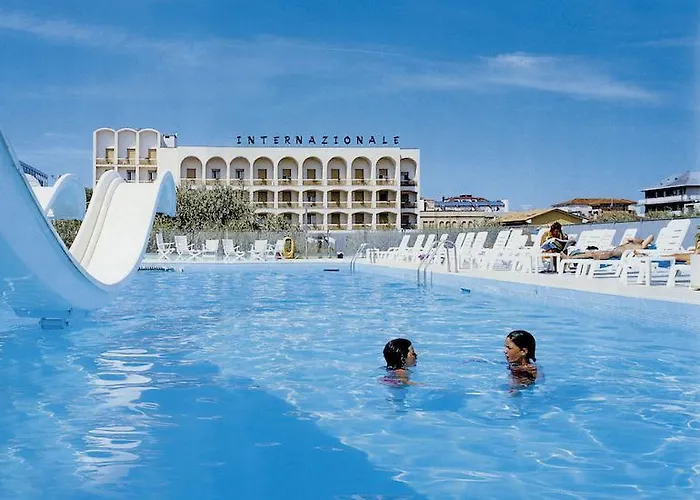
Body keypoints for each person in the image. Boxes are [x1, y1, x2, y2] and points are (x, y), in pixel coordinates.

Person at [569, 234, 654, 260]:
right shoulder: (630, 243)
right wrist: (634, 240)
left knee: (593, 254)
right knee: (592, 253)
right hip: (614, 250)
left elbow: (651, 236)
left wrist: (639, 241)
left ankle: (571, 257)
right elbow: (626, 239)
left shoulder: (642, 247)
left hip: (614, 253)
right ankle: (572, 257)